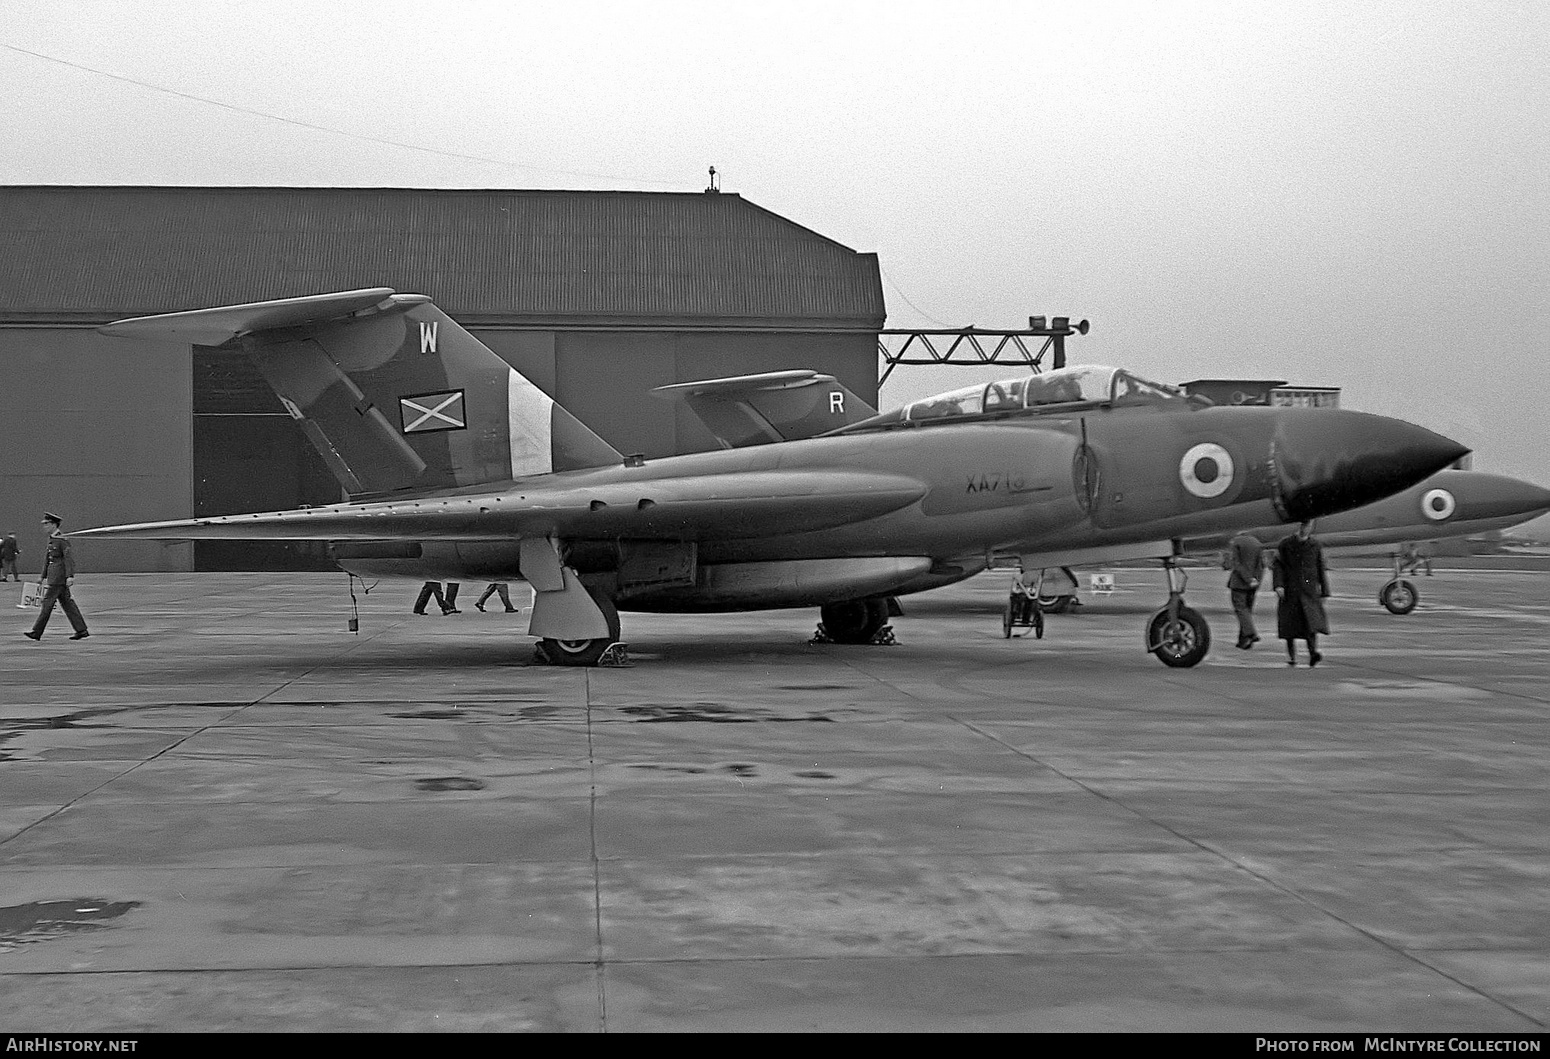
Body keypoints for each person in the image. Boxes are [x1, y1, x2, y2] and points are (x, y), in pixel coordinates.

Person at [1273, 520, 1330, 667]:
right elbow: (1278, 566)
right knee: (1289, 627)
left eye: (1308, 526)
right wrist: (1278, 585)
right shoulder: (1285, 544)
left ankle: (1313, 654)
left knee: (1311, 625)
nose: (1305, 529)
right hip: (1290, 590)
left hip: (1309, 591)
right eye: (1303, 526)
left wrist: (1324, 592)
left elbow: (1320, 568)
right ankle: (1292, 657)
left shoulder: (1315, 545)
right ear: (1298, 527)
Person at [24, 512, 88, 641]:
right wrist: (42, 576)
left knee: (47, 604)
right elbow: (47, 559)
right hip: (55, 577)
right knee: (68, 604)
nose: (44, 526)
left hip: (58, 578)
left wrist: (70, 576)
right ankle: (81, 630)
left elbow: (68, 559)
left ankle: (37, 632)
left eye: (47, 524)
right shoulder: (52, 539)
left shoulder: (62, 540)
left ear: (54, 525)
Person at [1223, 531, 1265, 649]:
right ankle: (1243, 641)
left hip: (1239, 583)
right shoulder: (1257, 544)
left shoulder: (1236, 543)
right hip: (1253, 584)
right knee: (1247, 612)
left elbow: (1236, 563)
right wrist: (1256, 580)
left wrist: (1247, 578)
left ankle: (1251, 634)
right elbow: (1261, 565)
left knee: (1241, 610)